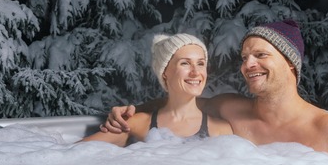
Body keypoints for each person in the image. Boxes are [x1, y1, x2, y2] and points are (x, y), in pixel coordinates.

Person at [101, 19, 328, 159]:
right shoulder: (229, 109)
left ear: (289, 63)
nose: (248, 65)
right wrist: (130, 111)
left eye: (260, 55)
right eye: (244, 58)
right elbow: (178, 105)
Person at [82, 33, 233, 146]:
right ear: (164, 72)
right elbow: (72, 155)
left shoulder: (220, 129)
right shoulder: (137, 124)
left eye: (200, 63)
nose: (195, 72)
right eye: (185, 63)